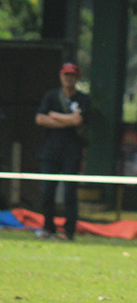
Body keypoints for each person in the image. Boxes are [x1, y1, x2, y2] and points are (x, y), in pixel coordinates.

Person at [35, 62, 90, 240]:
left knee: (69, 194)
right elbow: (40, 119)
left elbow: (78, 121)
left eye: (72, 75)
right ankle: (48, 229)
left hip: (72, 152)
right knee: (47, 192)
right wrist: (67, 120)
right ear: (61, 76)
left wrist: (55, 116)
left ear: (77, 78)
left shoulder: (83, 99)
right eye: (66, 75)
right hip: (50, 152)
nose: (69, 78)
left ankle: (68, 231)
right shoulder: (51, 96)